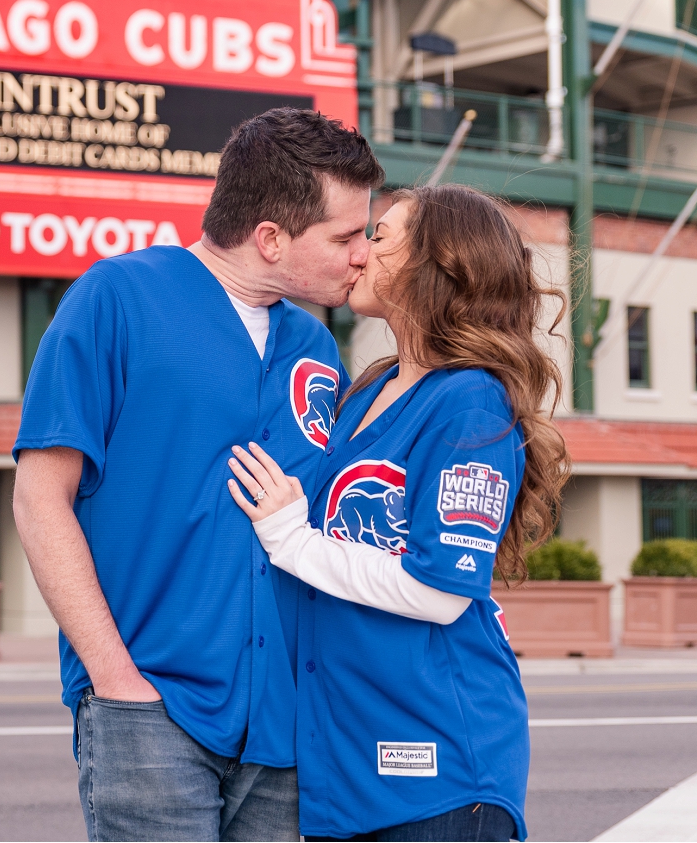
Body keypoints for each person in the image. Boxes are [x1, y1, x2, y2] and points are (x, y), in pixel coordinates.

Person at [14, 108, 385, 841]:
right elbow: (38, 498)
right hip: (154, 706)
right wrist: (117, 683)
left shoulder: (314, 342)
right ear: (271, 238)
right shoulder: (116, 298)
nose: (363, 255)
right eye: (346, 236)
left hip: (286, 726)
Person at [225, 184, 568, 842]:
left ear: (435, 262)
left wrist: (290, 539)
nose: (357, 253)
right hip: (346, 772)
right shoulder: (365, 394)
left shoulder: (470, 402)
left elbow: (439, 592)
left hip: (437, 768)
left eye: (377, 236)